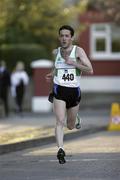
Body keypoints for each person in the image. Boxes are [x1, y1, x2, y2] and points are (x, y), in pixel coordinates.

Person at [46, 25, 93, 164]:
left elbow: (90, 69)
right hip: (59, 90)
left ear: (72, 37)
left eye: (67, 36)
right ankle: (60, 149)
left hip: (74, 92)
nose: (64, 38)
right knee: (59, 121)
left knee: (70, 125)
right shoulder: (56, 52)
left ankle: (76, 118)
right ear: (59, 37)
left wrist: (74, 63)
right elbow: (57, 67)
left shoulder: (78, 51)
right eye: (62, 35)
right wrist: (52, 73)